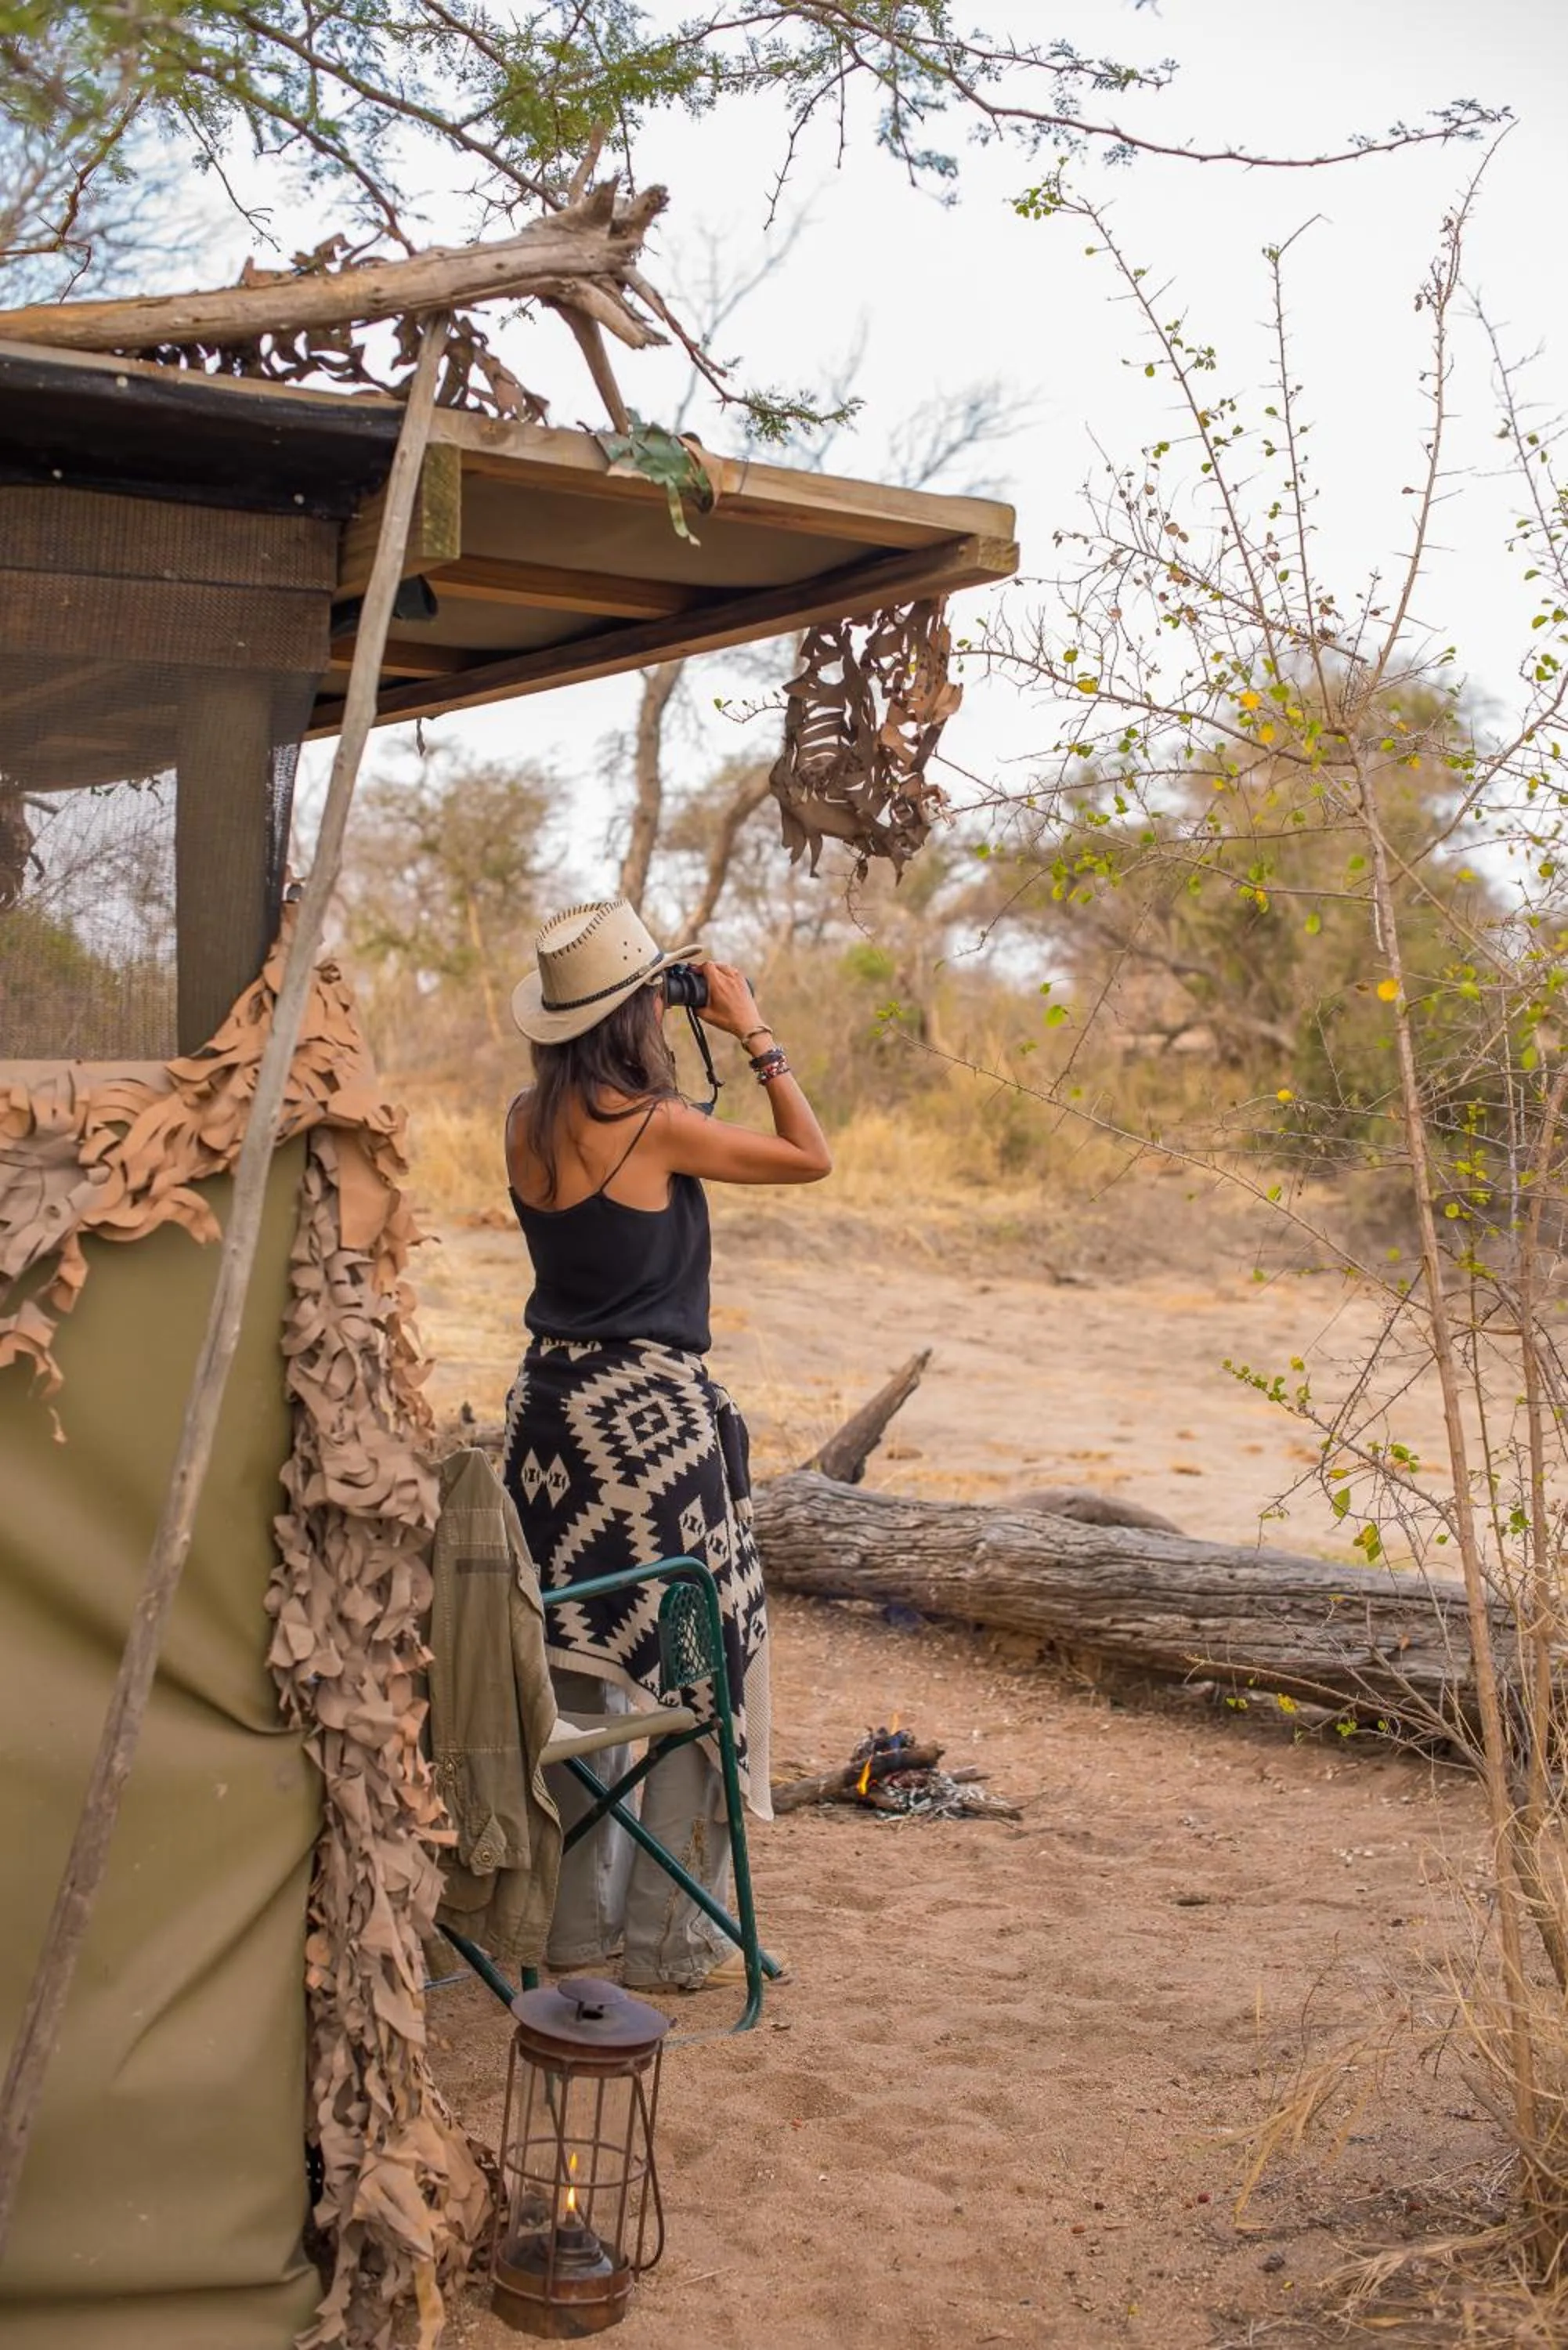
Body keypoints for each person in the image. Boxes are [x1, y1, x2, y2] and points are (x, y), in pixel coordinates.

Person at [502, 897, 832, 1991]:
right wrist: (753, 1031)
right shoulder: (654, 1125)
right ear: (641, 1009)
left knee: (580, 1674)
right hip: (650, 1430)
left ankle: (573, 1933)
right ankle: (670, 1939)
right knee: (701, 1672)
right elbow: (807, 1156)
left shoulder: (522, 1119)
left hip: (547, 1423)